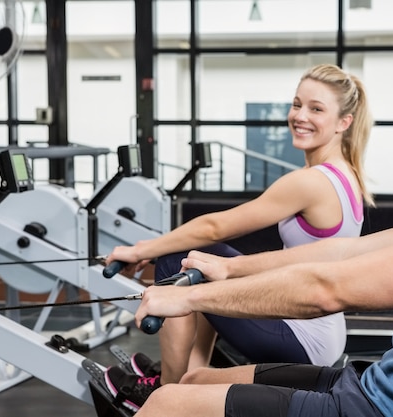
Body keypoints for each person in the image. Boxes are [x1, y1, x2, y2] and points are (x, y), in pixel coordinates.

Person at [128, 11, 393, 417]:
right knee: (197, 380)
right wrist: (231, 269)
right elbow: (344, 252)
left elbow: (326, 290)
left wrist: (189, 297)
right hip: (377, 386)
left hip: (391, 411)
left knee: (168, 405)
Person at [104, 63, 375, 411]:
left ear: (343, 123)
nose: (300, 115)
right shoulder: (346, 175)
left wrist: (141, 250)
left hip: (300, 335)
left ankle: (162, 395)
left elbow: (215, 227)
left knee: (179, 259)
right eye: (297, 104)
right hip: (323, 334)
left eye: (316, 109)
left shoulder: (311, 181)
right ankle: (187, 377)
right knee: (202, 264)